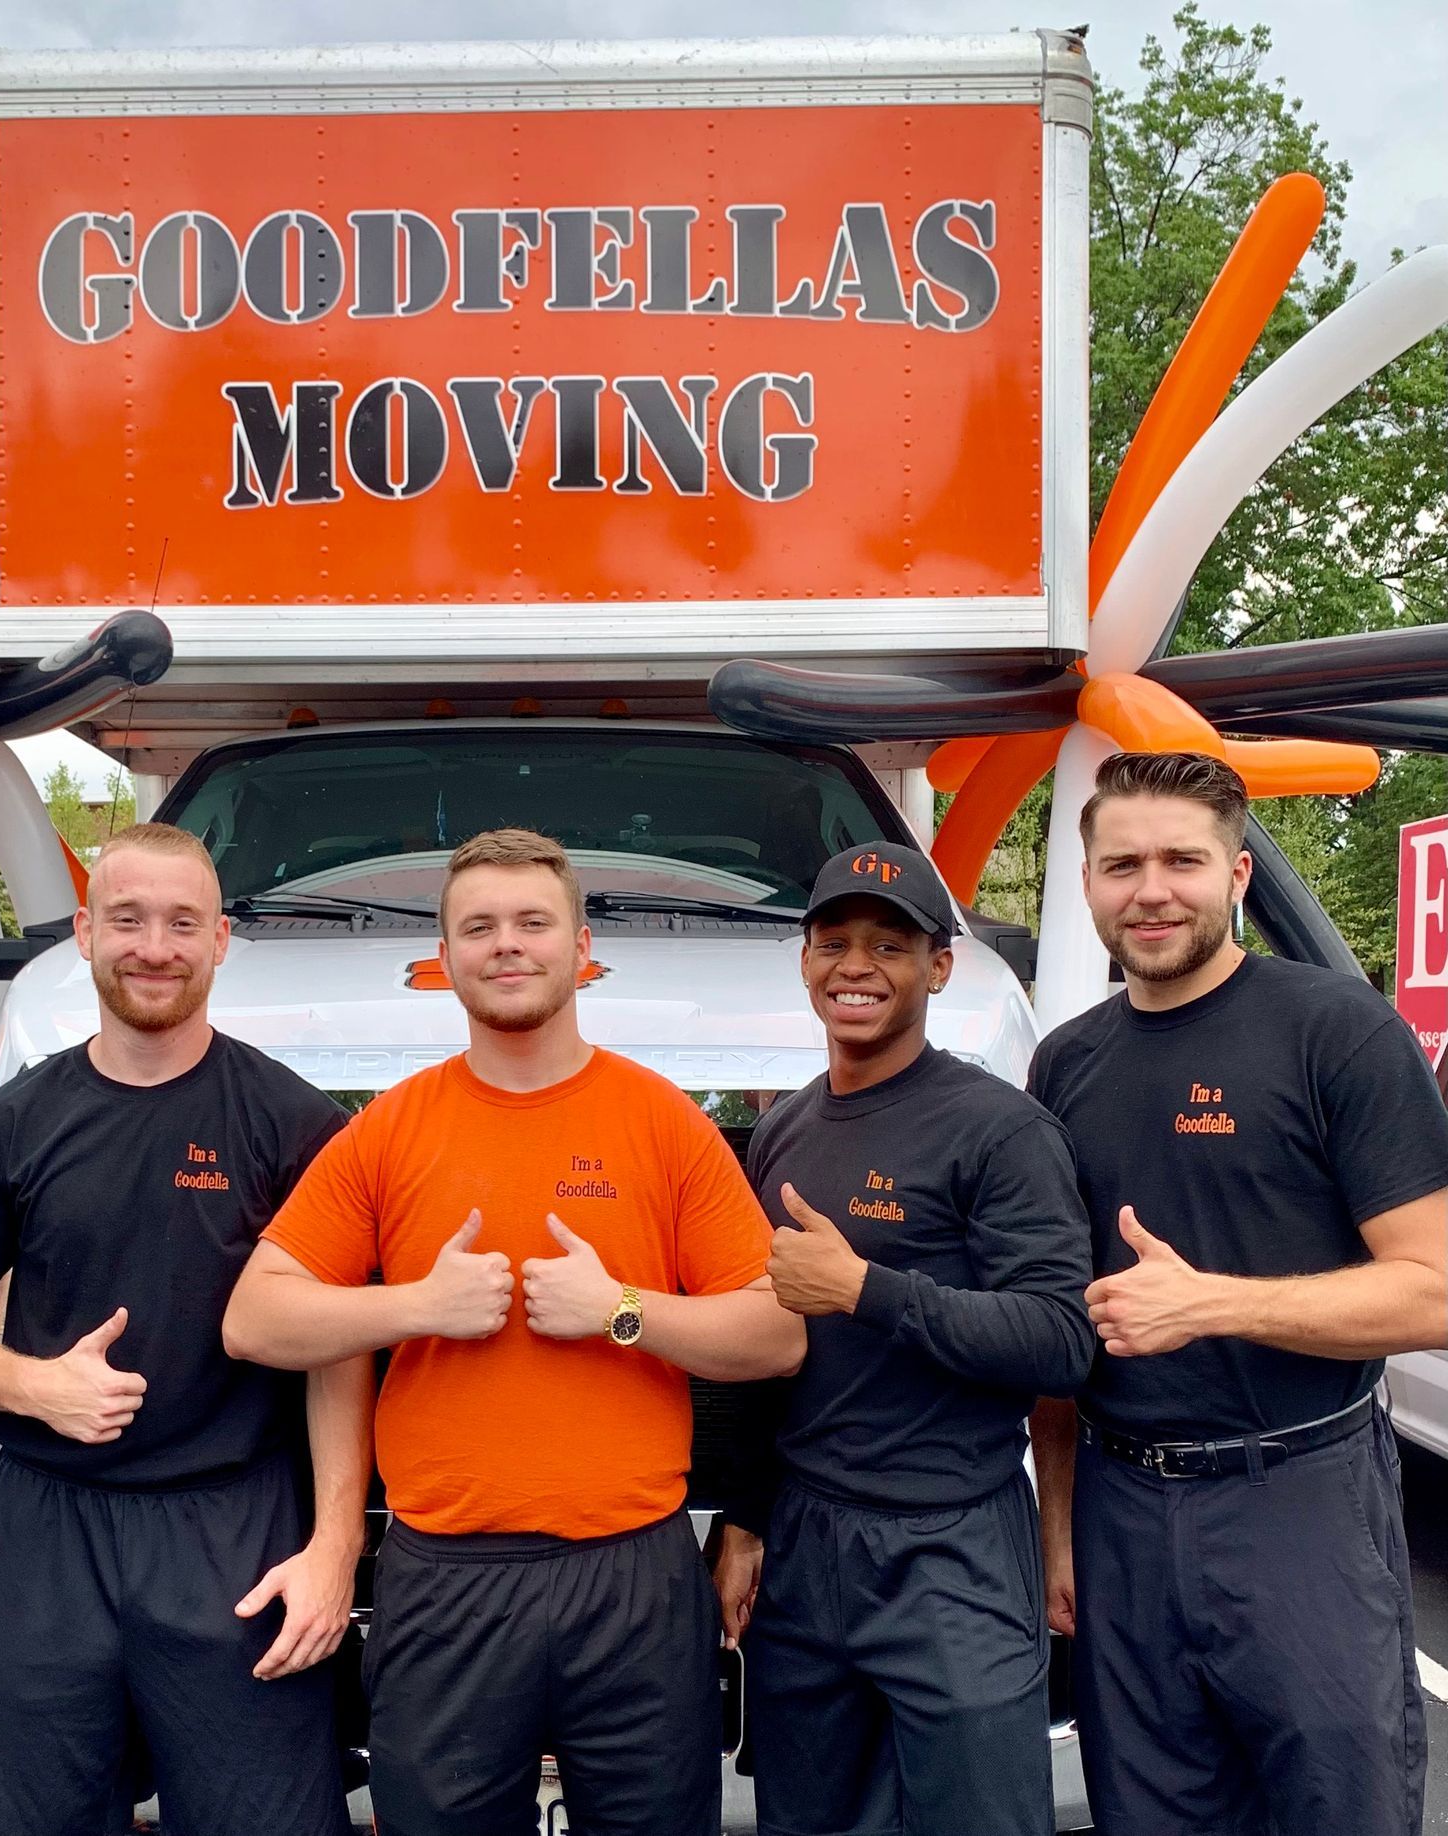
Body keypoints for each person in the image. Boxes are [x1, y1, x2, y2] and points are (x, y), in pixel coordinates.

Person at [224, 827, 804, 1836]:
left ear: (582, 949)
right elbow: (255, 1319)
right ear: (440, 961)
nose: (507, 946)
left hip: (634, 1575)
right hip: (448, 1580)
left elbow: (777, 1336)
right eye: (478, 928)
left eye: (533, 923)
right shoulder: (392, 1130)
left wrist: (621, 1311)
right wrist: (417, 1307)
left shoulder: (662, 1122)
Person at [0, 823, 364, 1836]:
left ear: (221, 939)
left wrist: (333, 1547)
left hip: (232, 1528)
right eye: (129, 920)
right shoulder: (12, 1122)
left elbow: (338, 1351)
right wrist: (34, 1385)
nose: (156, 946)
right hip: (48, 1527)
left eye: (183, 923)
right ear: (84, 933)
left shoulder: (293, 1125)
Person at [1028, 750, 1448, 1836]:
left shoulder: (1337, 1031)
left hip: (1297, 1497)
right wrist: (1061, 1528)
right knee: (1147, 1810)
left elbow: (1436, 1290)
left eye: (1183, 859)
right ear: (1086, 884)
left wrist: (1213, 1303)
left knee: (1336, 1807)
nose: (1152, 889)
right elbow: (1067, 1321)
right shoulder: (1065, 1064)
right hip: (1122, 1508)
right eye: (1123, 864)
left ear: (1239, 877)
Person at [715, 842, 1092, 1836]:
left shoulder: (999, 1131)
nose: (855, 967)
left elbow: (1060, 1340)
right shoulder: (789, 1128)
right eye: (832, 942)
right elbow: (771, 1344)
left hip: (949, 1543)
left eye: (889, 946)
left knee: (980, 1819)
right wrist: (748, 1518)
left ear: (938, 967)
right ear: (803, 960)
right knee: (807, 1817)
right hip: (806, 1545)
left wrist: (866, 1290)